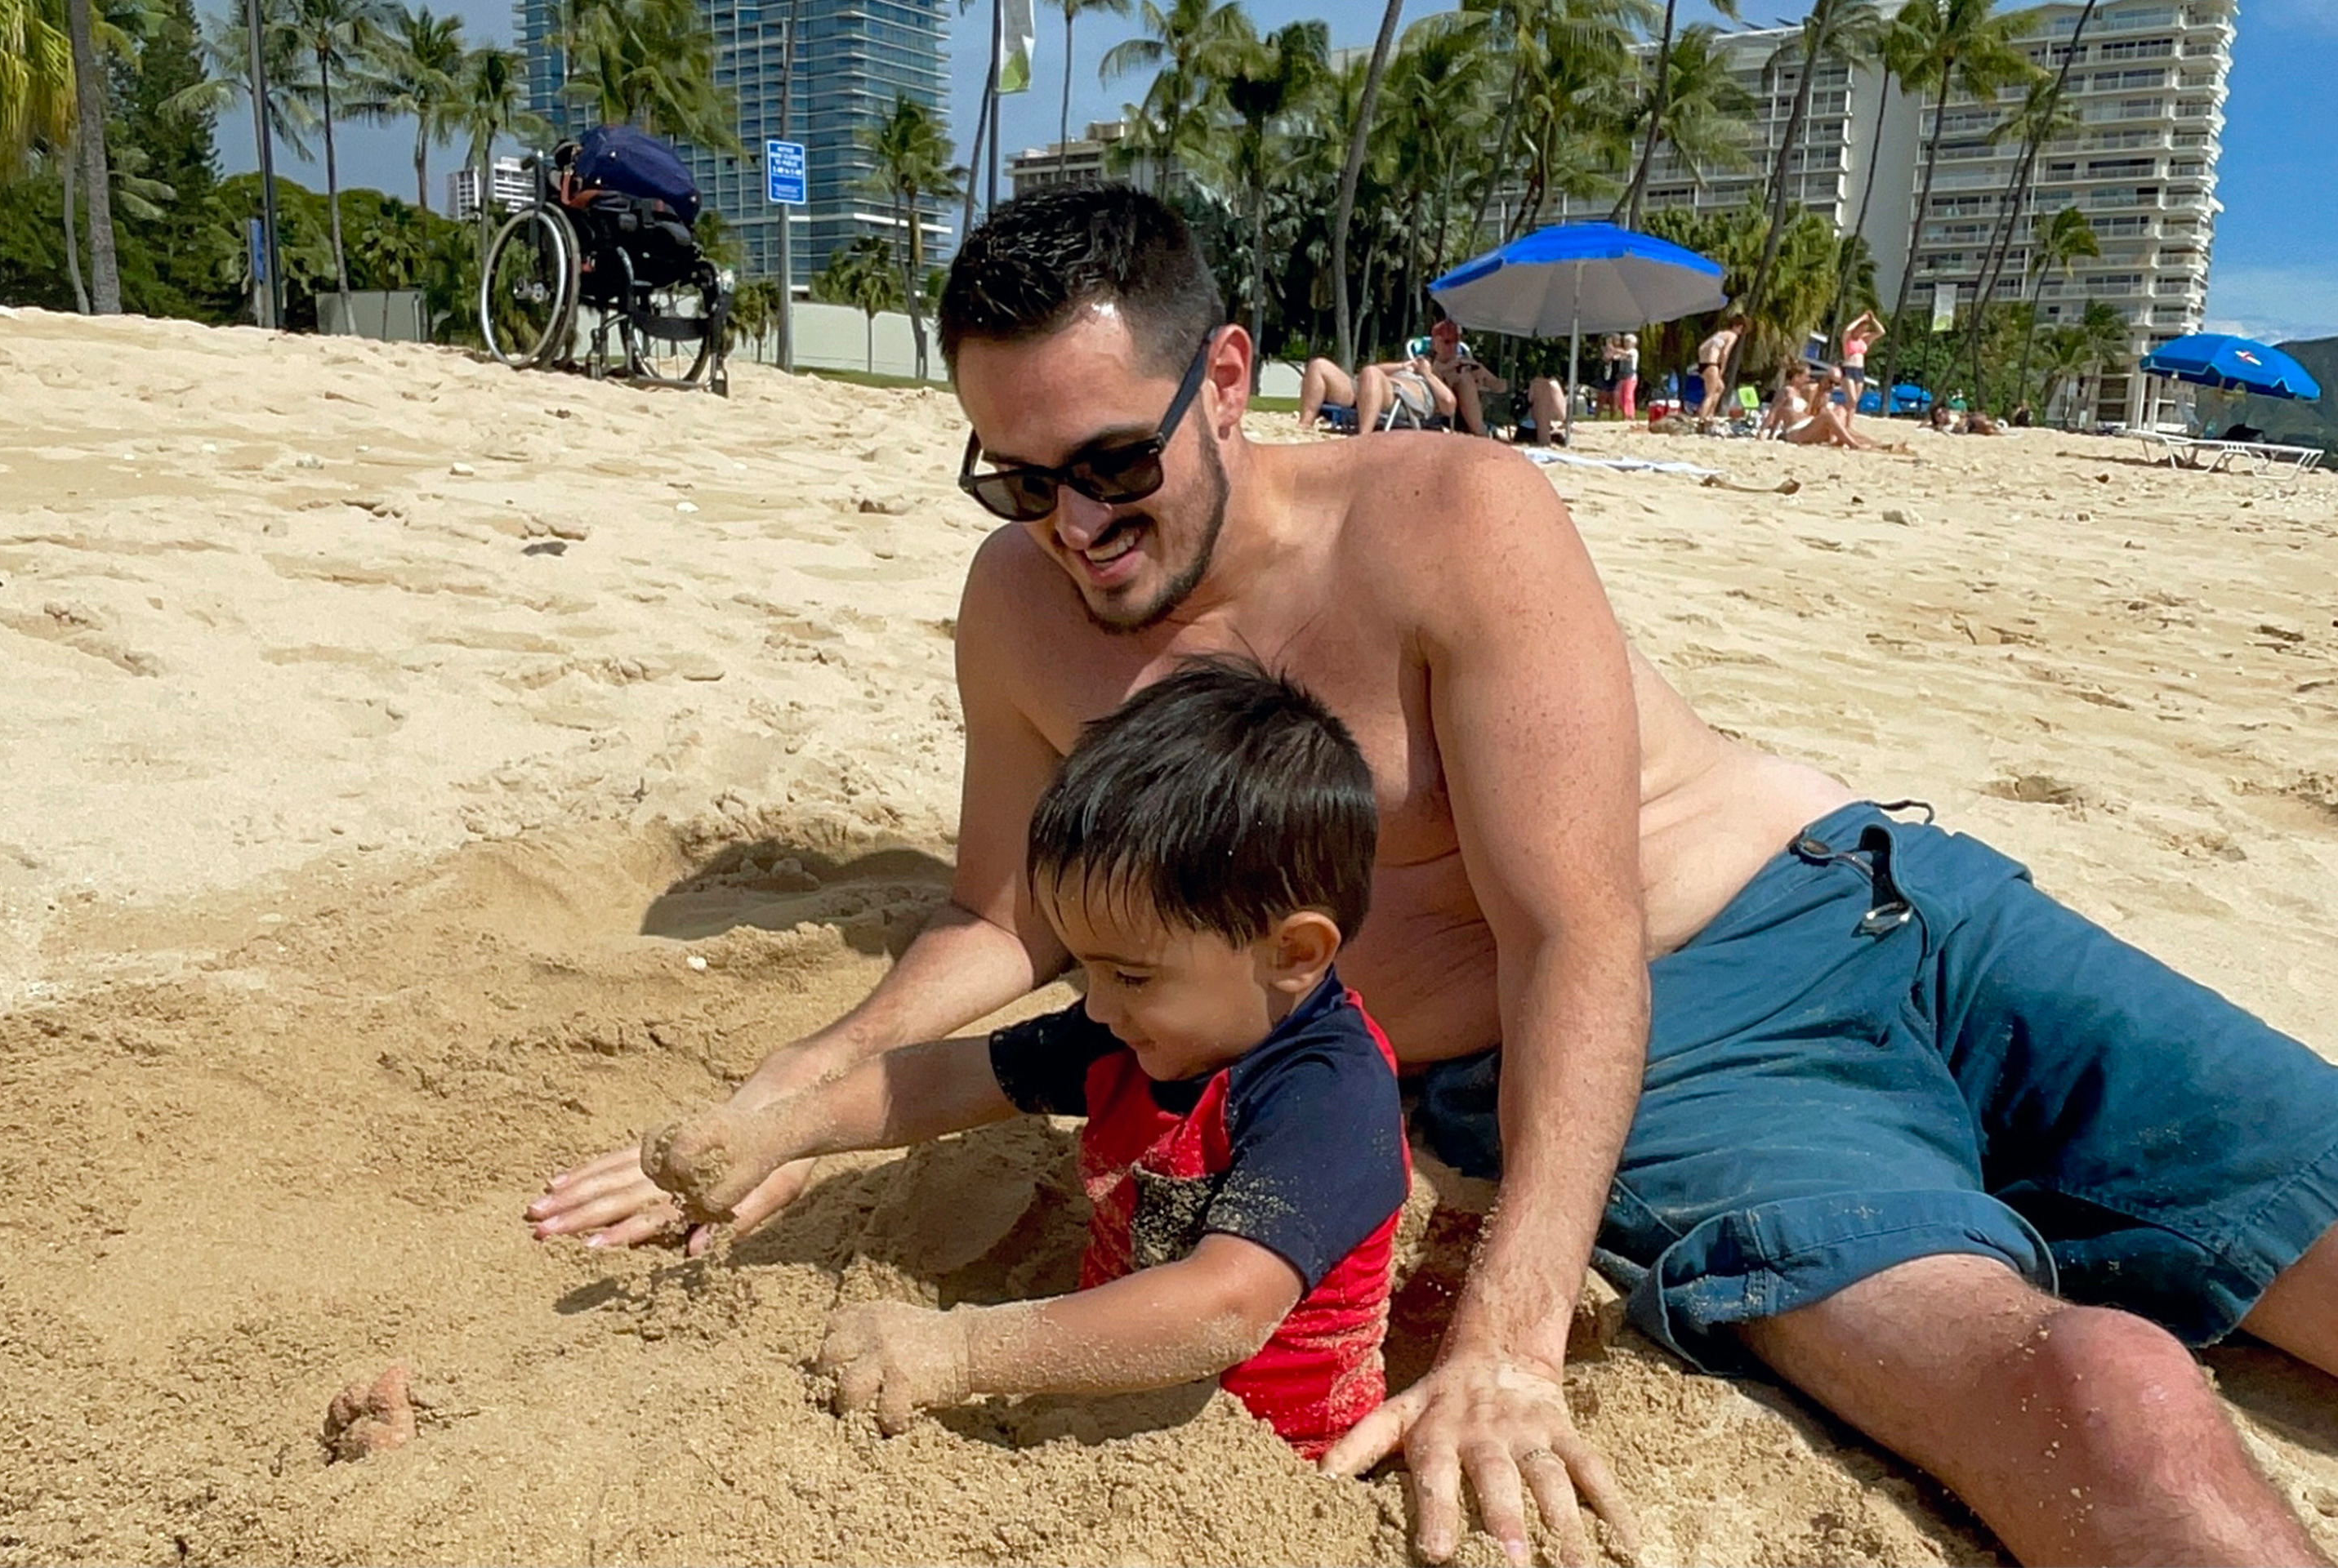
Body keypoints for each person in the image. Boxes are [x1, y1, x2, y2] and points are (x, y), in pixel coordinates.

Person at [531, 185, 2338, 1568]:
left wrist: (1513, 1337)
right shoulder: (1025, 616)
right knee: (2099, 1397)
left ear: (1225, 381)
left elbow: (1577, 923)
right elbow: (1000, 913)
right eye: (1011, 481)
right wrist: (808, 1085)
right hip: (1694, 1081)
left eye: (1106, 464)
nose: (1071, 528)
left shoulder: (1451, 521)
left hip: (1885, 900)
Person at [638, 658, 1411, 1459]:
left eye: (1132, 975)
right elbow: (944, 1080)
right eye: (1087, 968)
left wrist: (965, 1351)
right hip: (1088, 1403)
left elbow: (1223, 1310)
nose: (1099, 1006)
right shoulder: (1142, 1028)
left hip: (1259, 1457)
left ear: (1293, 952)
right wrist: (779, 1132)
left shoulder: (1331, 1097)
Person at [1297, 338, 1456, 435]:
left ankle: (1363, 437)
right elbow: (1370, 370)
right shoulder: (1412, 367)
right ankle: (1304, 425)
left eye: (1450, 342)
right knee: (1319, 365)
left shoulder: (1444, 374)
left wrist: (1427, 374)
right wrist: (1403, 366)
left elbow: (1449, 405)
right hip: (1370, 389)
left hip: (1400, 399)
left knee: (1371, 373)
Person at [1773, 363, 1873, 449]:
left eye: (1835, 384)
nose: (1808, 379)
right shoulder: (1796, 391)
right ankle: (1853, 444)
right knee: (1828, 415)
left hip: (1808, 425)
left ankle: (1875, 444)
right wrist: (1768, 433)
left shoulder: (1804, 392)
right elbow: (1775, 411)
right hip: (1796, 430)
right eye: (1831, 382)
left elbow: (1810, 413)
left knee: (1841, 410)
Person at [1839, 310, 1885, 431]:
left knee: (1855, 402)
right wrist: (1861, 318)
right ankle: (1841, 419)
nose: (1862, 332)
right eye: (1861, 329)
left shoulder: (1864, 340)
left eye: (1864, 330)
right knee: (1852, 399)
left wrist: (1873, 319)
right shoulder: (1848, 338)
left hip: (1860, 370)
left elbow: (1881, 332)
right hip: (1848, 368)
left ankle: (1848, 426)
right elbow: (1848, 329)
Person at [1695, 314, 1747, 421]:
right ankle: (1702, 418)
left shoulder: (1720, 334)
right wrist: (1722, 367)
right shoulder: (1732, 336)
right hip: (1713, 364)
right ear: (1739, 327)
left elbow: (1702, 348)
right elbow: (1725, 352)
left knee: (1720, 388)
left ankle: (1710, 415)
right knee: (1710, 394)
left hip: (1704, 363)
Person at [1613, 333, 1640, 421]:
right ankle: (1625, 414)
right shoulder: (1624, 352)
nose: (1626, 343)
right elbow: (1615, 357)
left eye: (1628, 342)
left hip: (1630, 377)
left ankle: (1630, 415)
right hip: (1622, 376)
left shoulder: (1633, 351)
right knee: (1621, 397)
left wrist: (1613, 349)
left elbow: (1625, 354)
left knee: (1628, 396)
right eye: (1625, 342)